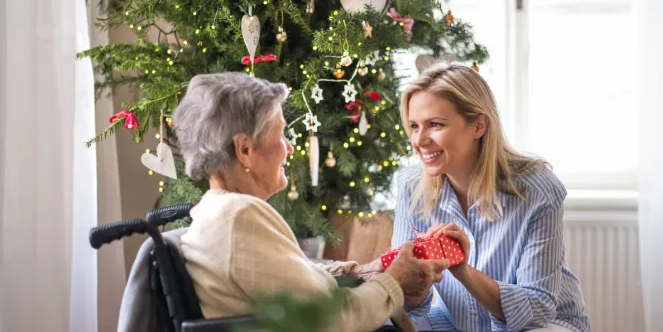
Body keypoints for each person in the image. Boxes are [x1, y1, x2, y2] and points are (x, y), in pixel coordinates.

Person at [172, 72, 450, 332]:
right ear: (244, 149)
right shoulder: (239, 215)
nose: (289, 147)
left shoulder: (214, 211)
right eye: (280, 134)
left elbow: (291, 277)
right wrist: (395, 281)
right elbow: (330, 317)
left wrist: (362, 271)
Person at [391, 63, 591, 332]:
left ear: (478, 126)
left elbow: (538, 307)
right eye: (414, 126)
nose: (419, 140)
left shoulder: (537, 189)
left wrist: (463, 270)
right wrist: (415, 277)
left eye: (435, 124)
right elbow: (411, 304)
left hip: (542, 324)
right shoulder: (410, 187)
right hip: (457, 323)